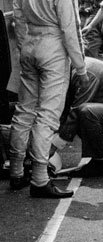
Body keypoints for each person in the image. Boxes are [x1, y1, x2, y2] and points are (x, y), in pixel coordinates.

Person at [8, 0, 89, 198]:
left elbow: (18, 20)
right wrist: (81, 67)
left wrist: (23, 46)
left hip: (29, 43)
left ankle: (16, 171)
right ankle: (40, 178)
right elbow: (70, 29)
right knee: (47, 115)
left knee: (24, 111)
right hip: (53, 47)